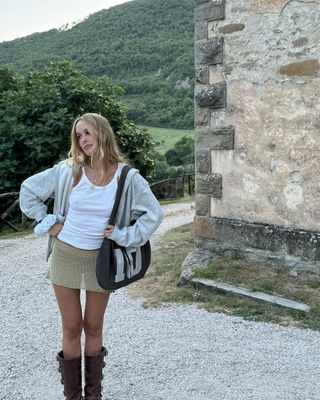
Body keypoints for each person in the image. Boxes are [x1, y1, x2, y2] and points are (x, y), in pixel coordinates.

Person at [19, 113, 163, 400]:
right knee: (71, 325)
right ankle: (73, 397)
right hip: (65, 255)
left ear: (102, 133)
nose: (83, 140)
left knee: (93, 326)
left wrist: (124, 236)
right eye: (78, 135)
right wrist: (48, 222)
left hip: (102, 260)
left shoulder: (127, 177)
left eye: (88, 133)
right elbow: (29, 191)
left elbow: (153, 215)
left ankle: (93, 395)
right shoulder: (68, 170)